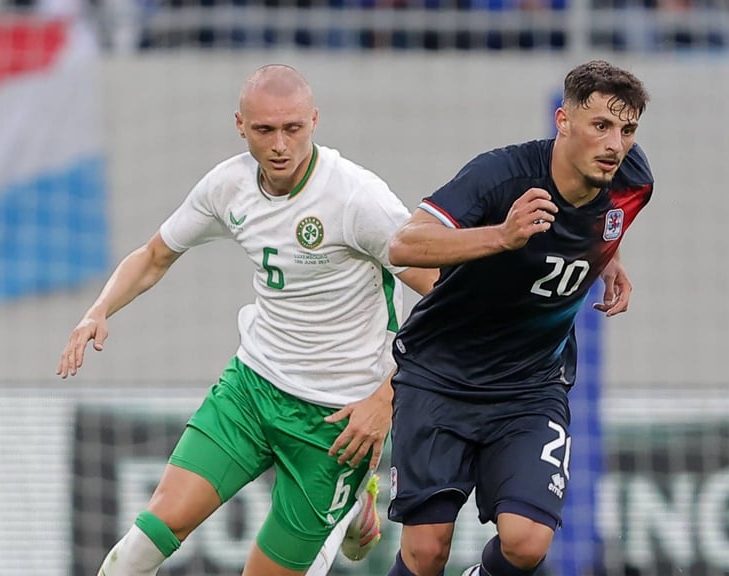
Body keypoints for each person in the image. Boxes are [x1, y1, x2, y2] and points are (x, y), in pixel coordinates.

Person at [56, 64, 438, 576]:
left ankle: (352, 501)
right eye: (264, 130)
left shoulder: (356, 198)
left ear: (315, 121)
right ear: (240, 125)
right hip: (252, 390)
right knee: (135, 552)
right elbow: (153, 255)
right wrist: (97, 309)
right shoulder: (228, 186)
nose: (280, 145)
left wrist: (385, 402)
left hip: (337, 422)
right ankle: (347, 512)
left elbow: (448, 303)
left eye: (293, 129)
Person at [383, 59, 652, 576]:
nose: (615, 144)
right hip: (441, 376)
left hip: (530, 386)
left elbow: (604, 219)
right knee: (426, 552)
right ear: (563, 121)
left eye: (627, 129)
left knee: (527, 544)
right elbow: (404, 244)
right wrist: (501, 236)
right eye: (601, 126)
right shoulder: (502, 175)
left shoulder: (633, 180)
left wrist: (608, 255)